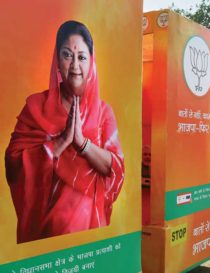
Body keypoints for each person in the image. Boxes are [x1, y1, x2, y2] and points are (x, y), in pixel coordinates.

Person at [4, 21, 125, 243]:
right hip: (46, 237)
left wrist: (82, 144)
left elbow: (116, 169)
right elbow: (12, 167)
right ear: (57, 62)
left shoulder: (103, 113)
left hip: (91, 236)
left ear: (91, 62)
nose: (75, 65)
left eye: (82, 57)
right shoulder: (36, 108)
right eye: (67, 55)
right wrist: (60, 142)